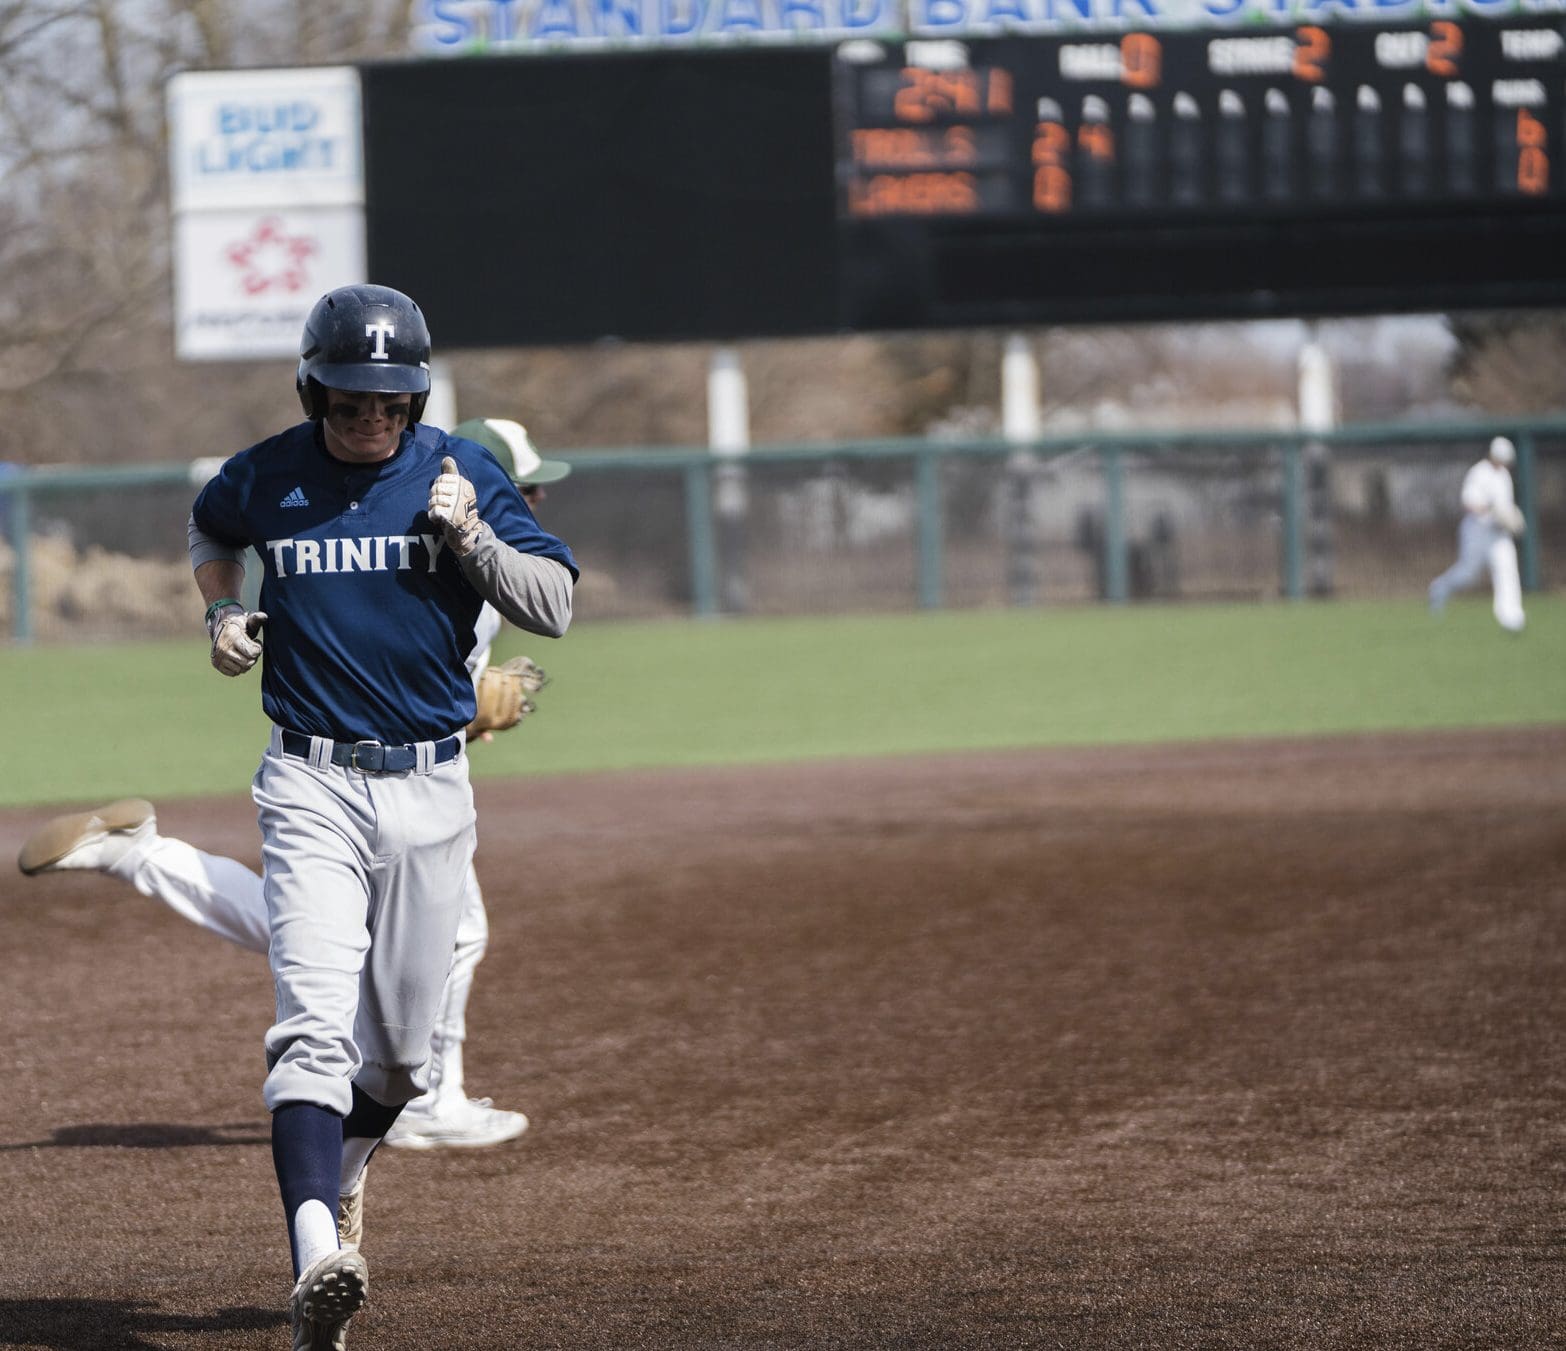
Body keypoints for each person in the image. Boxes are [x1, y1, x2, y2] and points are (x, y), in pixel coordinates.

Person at [188, 284, 576, 1350]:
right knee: (313, 1034)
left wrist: (472, 543)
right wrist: (223, 610)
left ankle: (346, 1175)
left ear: (415, 398)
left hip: (433, 788)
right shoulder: (268, 473)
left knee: (402, 1067)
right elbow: (212, 528)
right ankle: (319, 1255)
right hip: (308, 782)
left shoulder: (462, 470)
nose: (372, 419)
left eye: (390, 401)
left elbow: (557, 604)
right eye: (352, 399)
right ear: (314, 388)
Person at [16, 420, 572, 1161]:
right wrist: (472, 708)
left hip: (386, 775)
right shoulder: (443, 530)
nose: (533, 499)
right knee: (373, 938)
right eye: (528, 486)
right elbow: (406, 681)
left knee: (328, 935)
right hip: (365, 779)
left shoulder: (459, 533)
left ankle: (142, 857)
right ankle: (432, 1098)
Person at [1428, 435, 1527, 633]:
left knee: (1507, 570)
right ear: (1493, 455)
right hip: (1477, 530)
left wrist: (1509, 518)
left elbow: (1505, 508)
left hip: (1498, 533)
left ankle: (1512, 618)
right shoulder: (1479, 473)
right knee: (1468, 574)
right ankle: (1439, 588)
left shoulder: (1504, 476)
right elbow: (1469, 503)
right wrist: (1492, 510)